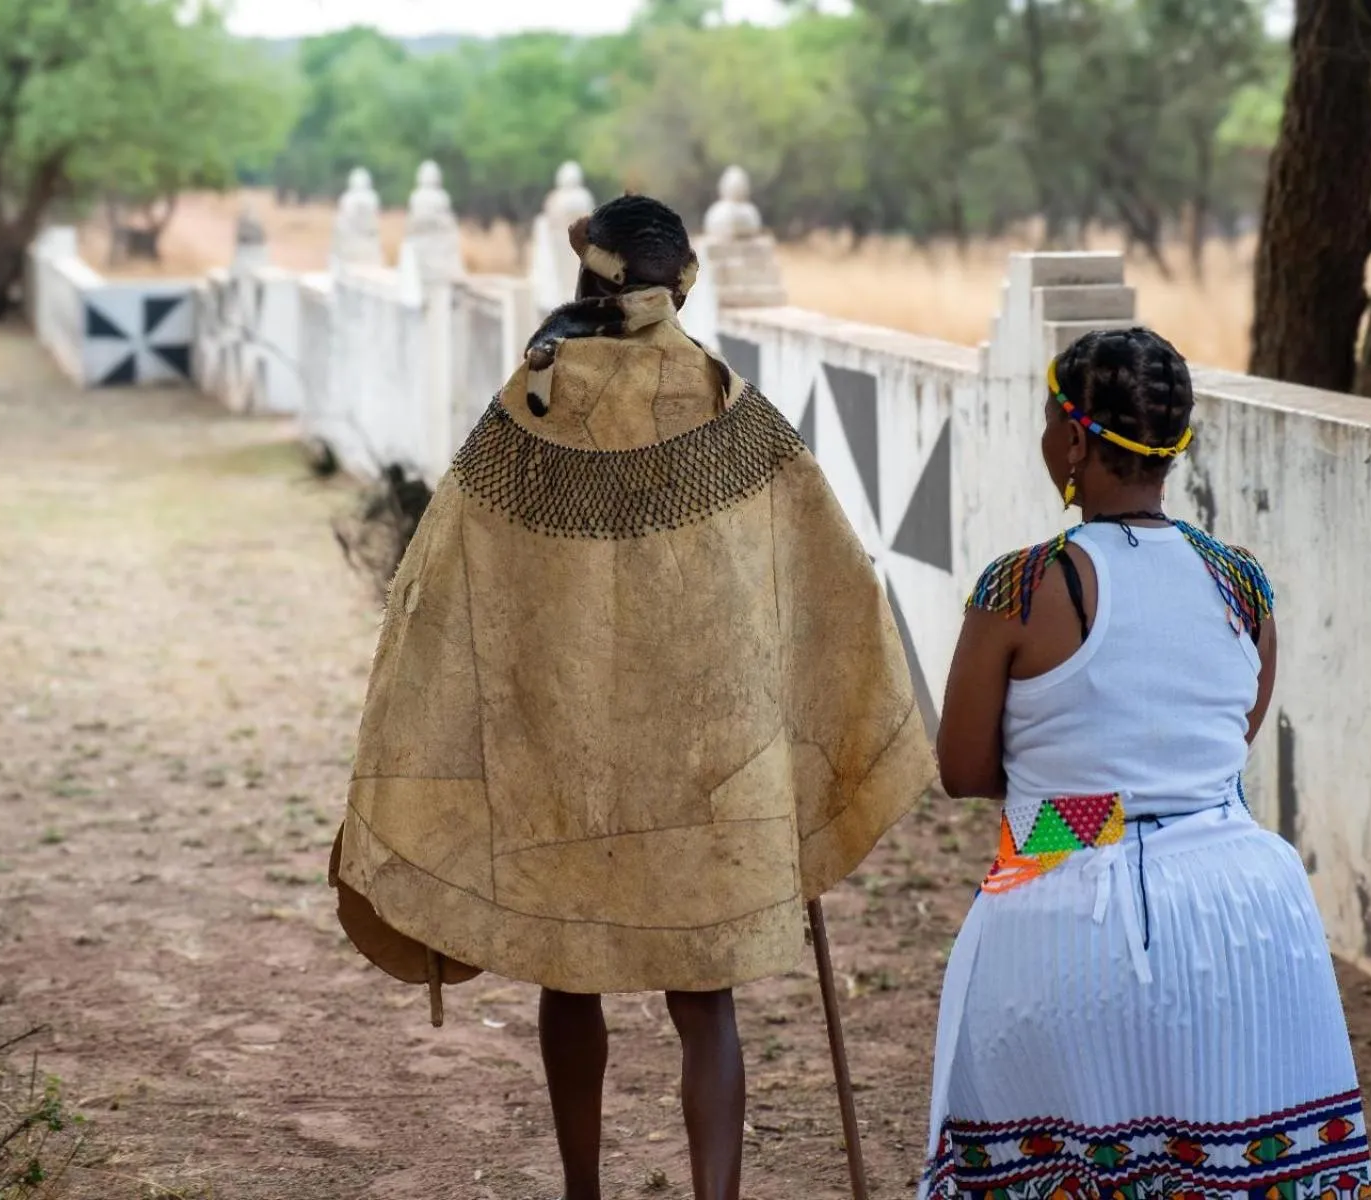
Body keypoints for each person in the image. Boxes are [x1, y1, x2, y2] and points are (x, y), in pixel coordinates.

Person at [328, 194, 937, 1200]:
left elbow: (437, 589)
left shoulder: (527, 406)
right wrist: (806, 707)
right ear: (678, 285)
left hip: (561, 763)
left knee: (570, 977)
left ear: (586, 276)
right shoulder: (732, 410)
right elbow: (833, 587)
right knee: (706, 1000)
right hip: (710, 772)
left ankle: (582, 1192)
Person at [919, 328, 1371, 1200]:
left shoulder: (1022, 588)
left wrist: (1085, 800)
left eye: (1049, 419)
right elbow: (1220, 754)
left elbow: (964, 769)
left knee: (1060, 1165)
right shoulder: (1240, 583)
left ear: (1075, 440)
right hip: (1246, 910)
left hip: (1067, 904)